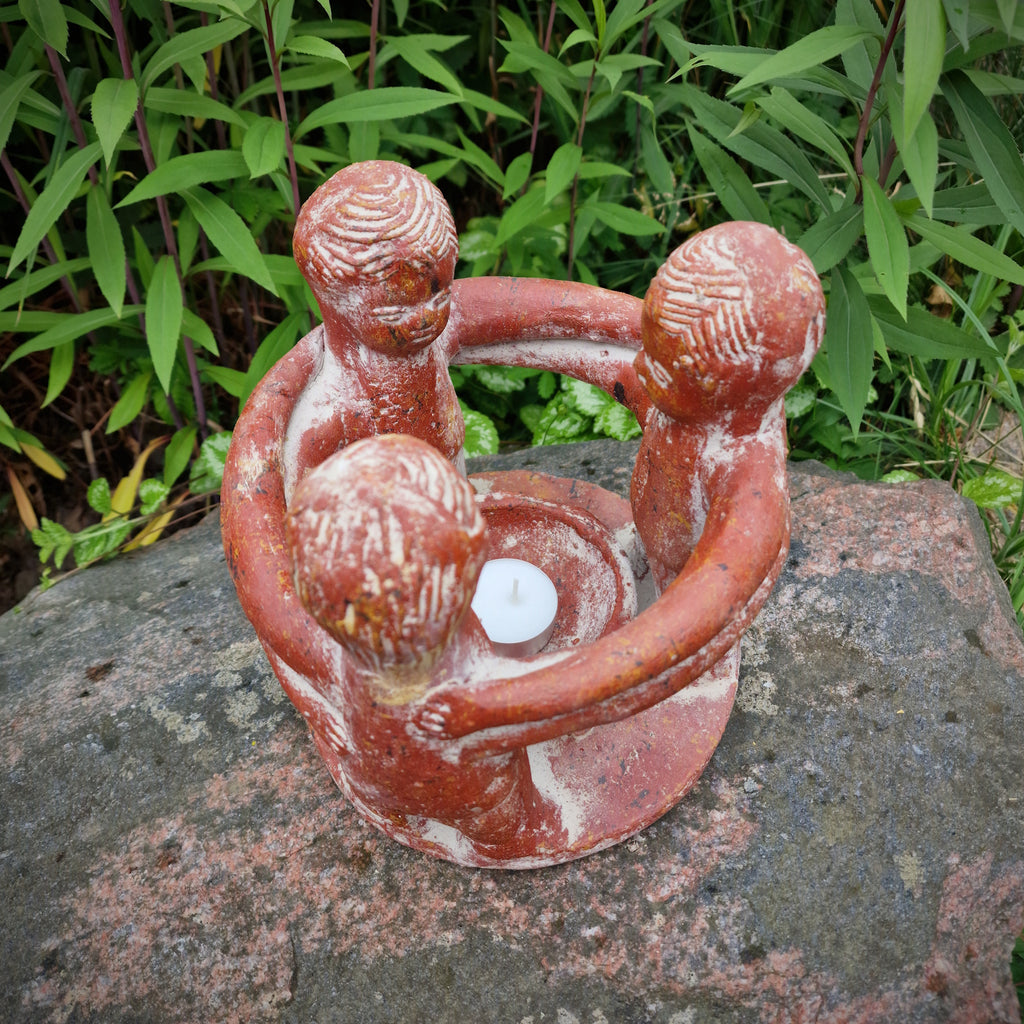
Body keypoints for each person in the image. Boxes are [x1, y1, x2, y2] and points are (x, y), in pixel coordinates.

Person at [415, 221, 826, 748]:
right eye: (647, 346)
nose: (641, 369)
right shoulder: (689, 392)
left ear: (733, 390)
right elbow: (576, 327)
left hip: (675, 587)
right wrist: (436, 313)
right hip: (648, 535)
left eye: (664, 368)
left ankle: (651, 572)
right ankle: (641, 557)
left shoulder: (748, 485)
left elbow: (693, 623)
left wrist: (496, 702)